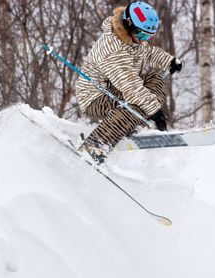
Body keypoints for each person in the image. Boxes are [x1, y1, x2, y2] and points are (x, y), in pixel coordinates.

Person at [76, 1, 182, 163]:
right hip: (94, 97)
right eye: (141, 35)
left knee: (156, 80)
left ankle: (129, 122)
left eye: (148, 36)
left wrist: (169, 61)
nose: (143, 40)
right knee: (136, 105)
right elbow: (131, 87)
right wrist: (155, 112)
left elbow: (148, 52)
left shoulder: (132, 39)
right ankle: (94, 145)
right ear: (129, 25)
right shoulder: (112, 49)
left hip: (115, 89)